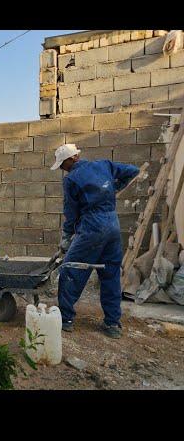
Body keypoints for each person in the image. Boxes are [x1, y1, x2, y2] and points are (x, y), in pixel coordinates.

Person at [51, 143, 139, 339]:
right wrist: (115, 187)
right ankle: (112, 323)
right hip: (113, 225)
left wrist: (66, 237)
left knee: (71, 270)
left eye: (63, 164)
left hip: (92, 227)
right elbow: (133, 170)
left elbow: (70, 211)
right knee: (110, 274)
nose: (63, 169)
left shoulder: (71, 179)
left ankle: (66, 319)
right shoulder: (104, 165)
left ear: (72, 158)